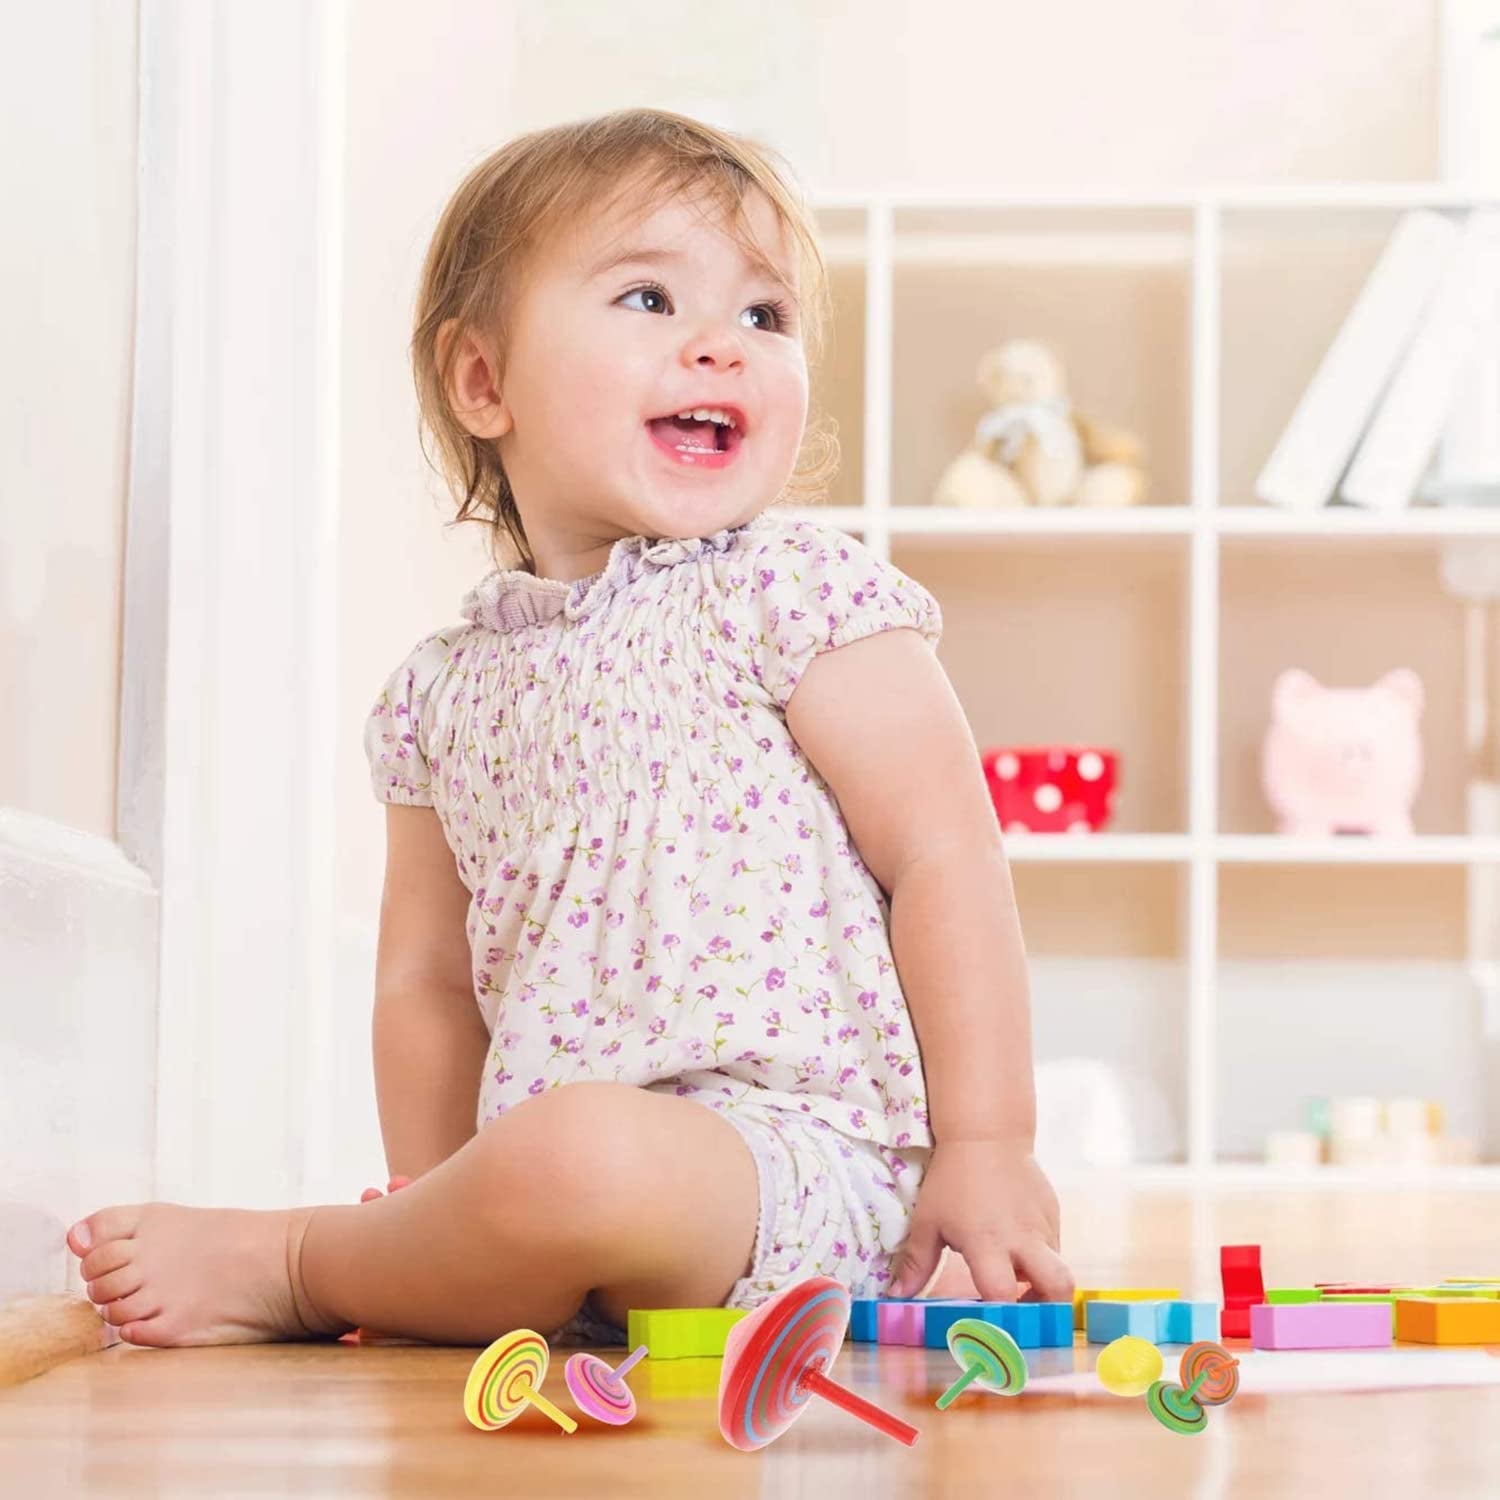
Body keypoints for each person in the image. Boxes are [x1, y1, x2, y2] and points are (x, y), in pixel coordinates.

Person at [66, 108, 1073, 1347]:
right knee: (561, 1156)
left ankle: (300, 1262)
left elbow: (949, 858)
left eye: (764, 317)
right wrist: (443, 1217)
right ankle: (432, 1259)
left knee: (580, 1151)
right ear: (483, 380)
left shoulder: (795, 594)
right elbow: (427, 985)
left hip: (802, 1179)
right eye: (650, 299)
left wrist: (987, 1144)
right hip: (566, 1198)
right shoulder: (441, 694)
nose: (723, 348)